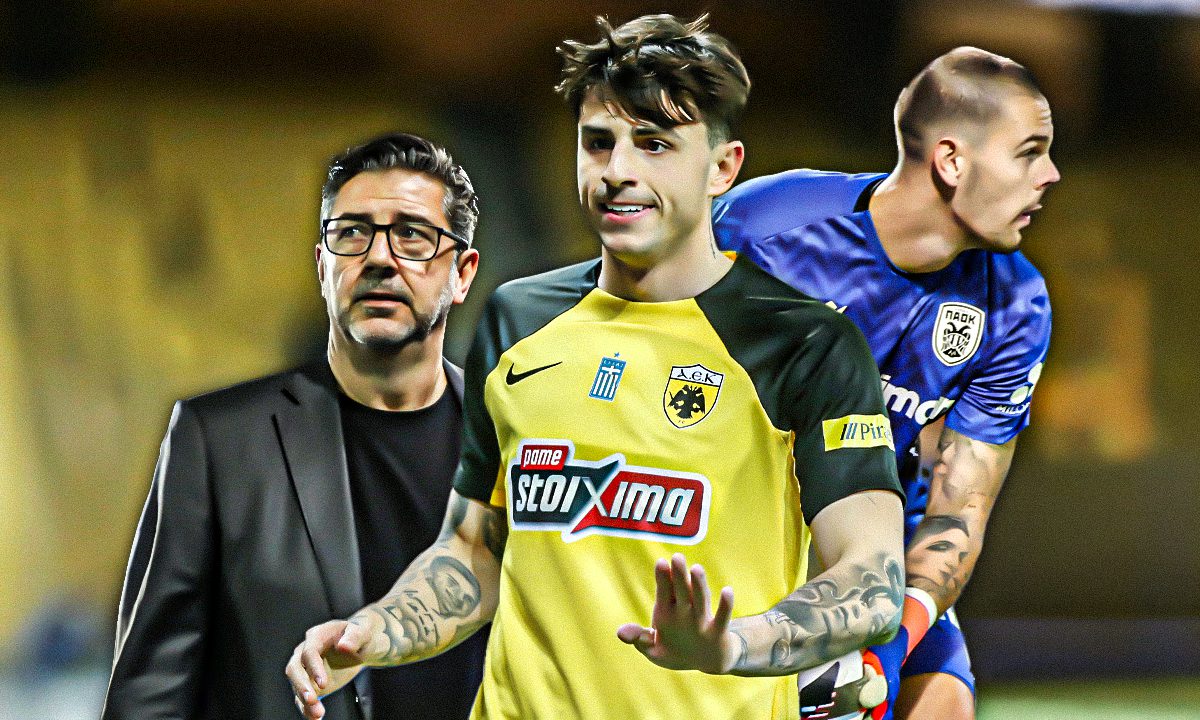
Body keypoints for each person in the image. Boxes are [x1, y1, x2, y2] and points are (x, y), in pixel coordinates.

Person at [287, 14, 905, 720]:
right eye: (598, 142)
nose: (618, 172)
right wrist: (378, 632)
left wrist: (734, 645)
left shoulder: (804, 344)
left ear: (723, 167)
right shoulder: (517, 320)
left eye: (655, 144)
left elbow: (873, 579)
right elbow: (475, 549)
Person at [712, 47, 1060, 719]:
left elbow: (957, 513)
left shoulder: (1017, 304)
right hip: (737, 538)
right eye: (1030, 153)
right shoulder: (764, 232)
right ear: (952, 161)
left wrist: (887, 646)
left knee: (943, 703)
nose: (1050, 175)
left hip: (875, 557)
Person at [101, 133, 486, 720]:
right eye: (352, 233)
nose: (379, 258)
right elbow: (149, 695)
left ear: (462, 273)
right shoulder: (218, 442)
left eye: (412, 234)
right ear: (323, 266)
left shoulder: (515, 439)